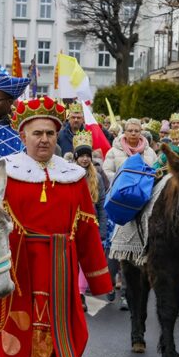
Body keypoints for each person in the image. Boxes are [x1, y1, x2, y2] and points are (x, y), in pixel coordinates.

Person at [0, 96, 112, 357]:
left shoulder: (73, 177)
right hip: (15, 265)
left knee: (49, 330)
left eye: (50, 134)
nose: (44, 140)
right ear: (23, 135)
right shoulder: (1, 172)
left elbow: (87, 229)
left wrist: (99, 280)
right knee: (12, 324)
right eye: (37, 133)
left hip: (57, 268)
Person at [73, 130, 108, 312]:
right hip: (72, 222)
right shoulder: (69, 174)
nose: (85, 159)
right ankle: (72, 292)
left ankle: (81, 293)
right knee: (73, 259)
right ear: (76, 157)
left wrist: (102, 230)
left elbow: (101, 205)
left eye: (88, 156)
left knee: (85, 260)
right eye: (82, 156)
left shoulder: (97, 177)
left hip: (91, 223)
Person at [103, 118, 158, 183]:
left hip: (146, 188)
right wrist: (123, 179)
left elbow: (156, 171)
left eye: (136, 131)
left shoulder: (150, 152)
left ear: (140, 132)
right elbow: (106, 172)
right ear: (125, 132)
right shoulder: (113, 151)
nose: (133, 133)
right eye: (130, 131)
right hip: (121, 187)